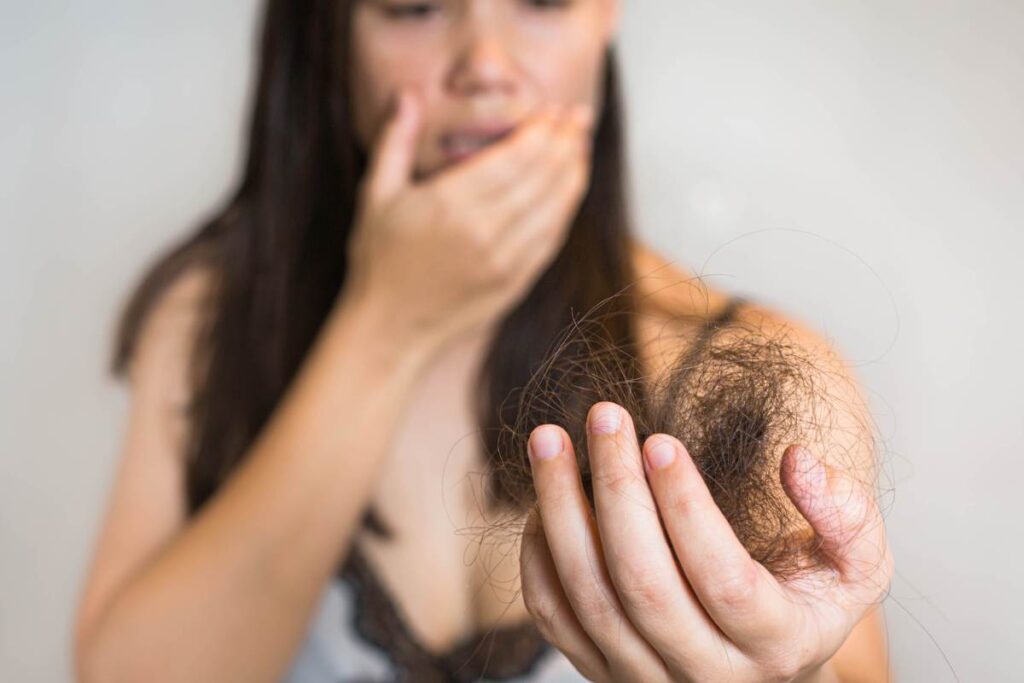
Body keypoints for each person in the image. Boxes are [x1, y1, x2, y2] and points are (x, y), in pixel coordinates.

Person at [72, 1, 892, 681]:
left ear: (604, 15)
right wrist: (383, 324)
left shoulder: (757, 372)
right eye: (413, 6)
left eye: (538, 1)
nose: (486, 63)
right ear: (329, 33)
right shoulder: (212, 318)